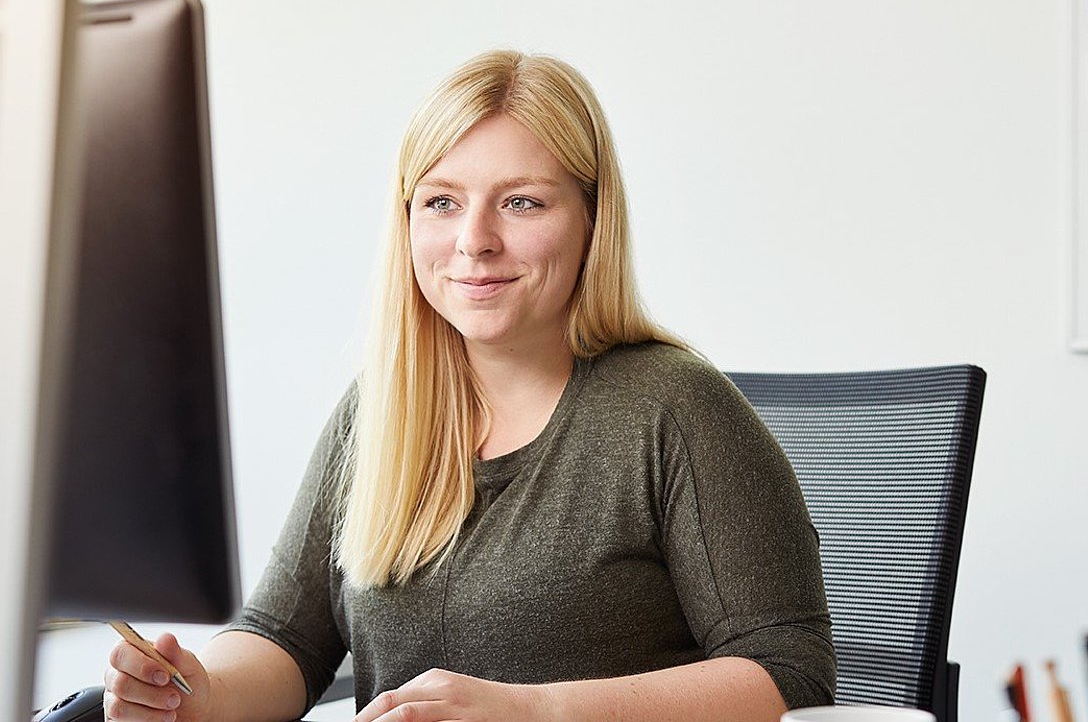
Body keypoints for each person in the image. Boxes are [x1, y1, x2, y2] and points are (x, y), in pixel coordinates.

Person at [103, 50, 836, 722]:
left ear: (592, 219)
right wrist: (193, 692)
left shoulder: (675, 409)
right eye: (442, 202)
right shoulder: (380, 409)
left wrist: (539, 713)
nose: (473, 240)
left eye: (522, 202)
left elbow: (790, 677)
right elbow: (285, 638)